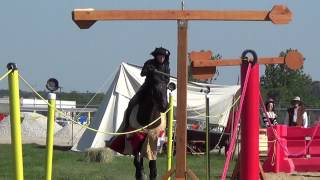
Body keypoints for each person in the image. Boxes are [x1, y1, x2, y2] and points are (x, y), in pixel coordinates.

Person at [108, 47, 170, 180]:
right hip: (147, 88)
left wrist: (163, 81)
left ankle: (168, 128)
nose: (161, 58)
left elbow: (167, 80)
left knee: (167, 105)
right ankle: (126, 125)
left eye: (163, 56)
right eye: (160, 56)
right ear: (156, 56)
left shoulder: (166, 66)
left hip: (160, 89)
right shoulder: (149, 63)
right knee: (132, 102)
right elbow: (142, 73)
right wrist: (150, 70)